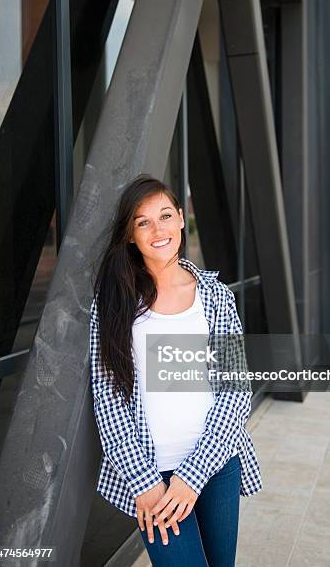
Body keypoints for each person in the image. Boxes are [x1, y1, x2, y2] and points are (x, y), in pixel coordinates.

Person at [89, 174, 262, 566]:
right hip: (151, 475)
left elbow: (235, 390)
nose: (158, 229)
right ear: (131, 235)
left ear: (182, 219)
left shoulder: (215, 295)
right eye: (143, 222)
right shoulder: (114, 302)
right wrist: (145, 484)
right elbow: (108, 398)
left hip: (216, 465)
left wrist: (192, 476)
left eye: (165, 215)